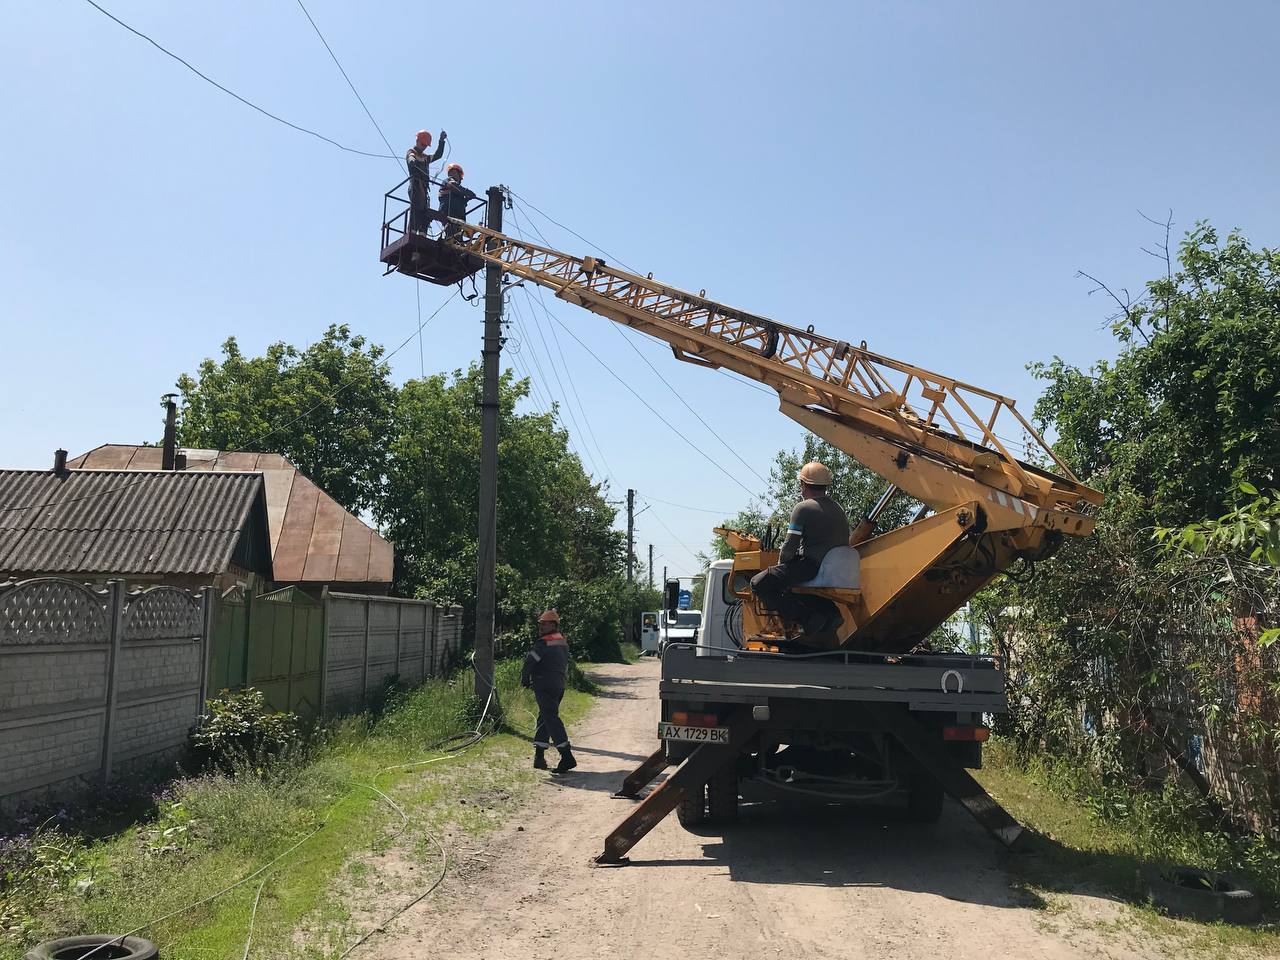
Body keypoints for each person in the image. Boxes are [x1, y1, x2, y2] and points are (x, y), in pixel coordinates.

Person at [750, 461, 851, 635]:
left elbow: (789, 547)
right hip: (837, 568)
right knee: (794, 586)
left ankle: (807, 618)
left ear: (803, 484)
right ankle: (831, 612)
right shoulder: (838, 508)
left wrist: (779, 568)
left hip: (811, 566)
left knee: (759, 583)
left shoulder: (803, 508)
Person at [521, 609, 577, 773]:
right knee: (545, 717)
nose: (542, 626)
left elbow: (529, 661)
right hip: (558, 685)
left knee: (550, 718)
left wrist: (525, 679)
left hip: (544, 685)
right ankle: (539, 757)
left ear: (554, 625)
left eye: (545, 624)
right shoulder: (562, 641)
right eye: (540, 623)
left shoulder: (543, 643)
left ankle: (567, 756)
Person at [405, 129, 446, 233]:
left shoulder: (425, 157)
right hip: (415, 187)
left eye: (426, 145)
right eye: (423, 144)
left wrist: (441, 141)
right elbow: (410, 158)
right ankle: (412, 231)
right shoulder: (411, 152)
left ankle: (423, 233)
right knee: (416, 209)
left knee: (424, 211)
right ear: (417, 141)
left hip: (424, 189)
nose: (424, 147)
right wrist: (412, 161)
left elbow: (438, 155)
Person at [437, 163, 477, 238]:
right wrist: (468, 192)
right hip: (448, 212)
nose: (451, 174)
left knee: (457, 235)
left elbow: (461, 201)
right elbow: (453, 186)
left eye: (454, 172)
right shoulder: (448, 181)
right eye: (451, 172)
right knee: (452, 233)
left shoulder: (459, 191)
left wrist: (467, 198)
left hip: (457, 215)